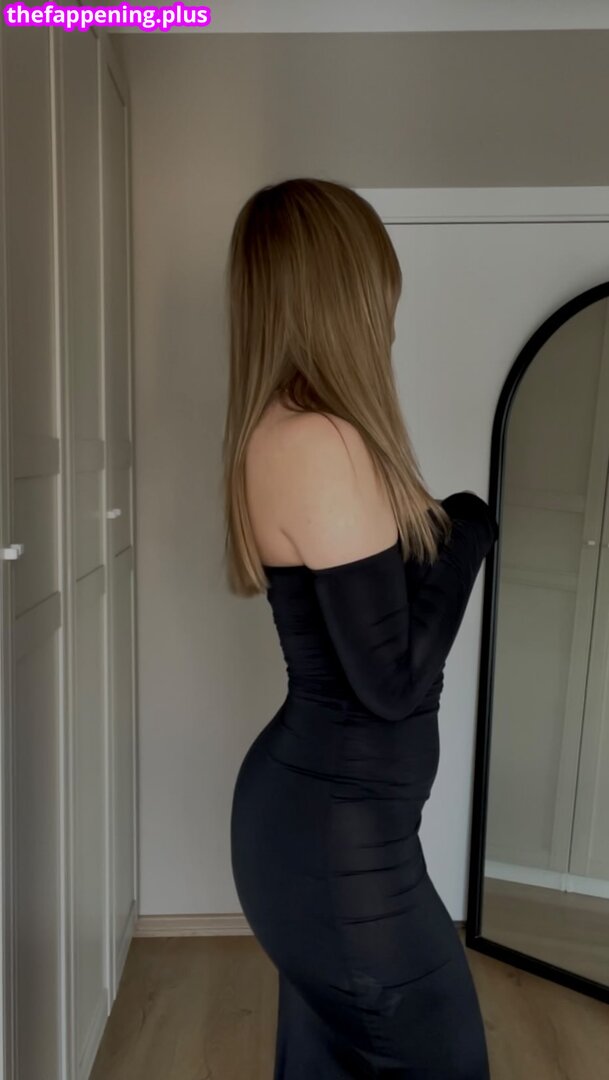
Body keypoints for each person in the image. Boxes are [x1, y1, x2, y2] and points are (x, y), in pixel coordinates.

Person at [224, 178, 497, 1079]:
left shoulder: (291, 432)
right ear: (343, 292)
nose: (389, 313)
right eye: (380, 288)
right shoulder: (317, 441)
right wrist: (469, 527)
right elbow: (390, 682)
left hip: (335, 829)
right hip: (338, 842)